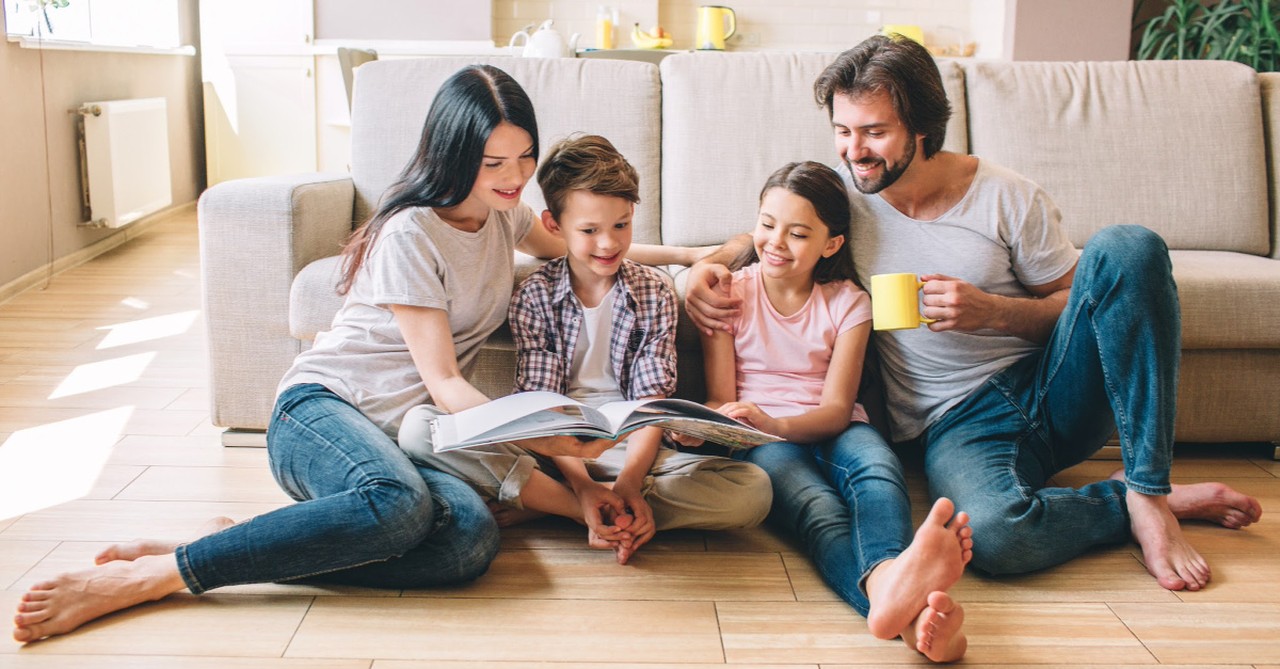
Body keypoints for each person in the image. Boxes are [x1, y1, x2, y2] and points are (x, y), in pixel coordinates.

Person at [10, 65, 663, 644]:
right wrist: (554, 440)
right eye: (494, 163)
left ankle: (222, 542)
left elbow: (590, 247)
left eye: (524, 156)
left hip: (402, 442)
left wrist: (704, 256)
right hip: (321, 413)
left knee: (469, 541)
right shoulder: (413, 231)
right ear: (454, 156)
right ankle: (160, 575)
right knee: (400, 506)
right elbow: (444, 385)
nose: (517, 177)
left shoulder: (505, 217)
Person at [685, 35, 1263, 594]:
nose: (854, 150)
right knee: (994, 537)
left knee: (1128, 247)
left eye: (874, 132)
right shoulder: (852, 193)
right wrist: (705, 268)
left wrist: (995, 313)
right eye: (842, 130)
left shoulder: (1008, 198)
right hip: (956, 421)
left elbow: (1083, 304)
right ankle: (1120, 503)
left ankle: (1149, 492)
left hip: (1050, 390)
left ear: (923, 128)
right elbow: (771, 228)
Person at [400, 134, 772, 565]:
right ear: (554, 225)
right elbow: (540, 408)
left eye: (621, 225)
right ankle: (582, 509)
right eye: (589, 230)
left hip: (629, 452)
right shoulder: (535, 295)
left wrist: (631, 483)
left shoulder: (655, 290)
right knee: (420, 429)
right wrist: (581, 487)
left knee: (753, 491)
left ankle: (556, 506)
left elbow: (651, 405)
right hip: (550, 448)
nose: (609, 244)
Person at [676, 160, 971, 662]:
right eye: (767, 225)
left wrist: (779, 423)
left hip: (829, 426)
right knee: (818, 511)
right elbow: (724, 397)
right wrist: (712, 424)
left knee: (878, 470)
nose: (775, 243)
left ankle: (890, 588)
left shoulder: (850, 303)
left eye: (797, 234)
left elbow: (837, 410)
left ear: (830, 244)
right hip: (762, 440)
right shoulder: (732, 294)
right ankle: (906, 612)